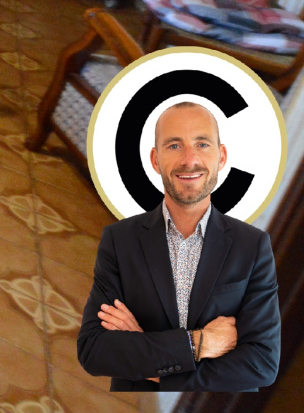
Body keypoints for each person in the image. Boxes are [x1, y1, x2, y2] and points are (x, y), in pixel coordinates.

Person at [76, 100, 280, 391]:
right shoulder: (119, 240)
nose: (189, 159)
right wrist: (199, 343)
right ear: (155, 160)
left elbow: (262, 365)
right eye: (174, 145)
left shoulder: (253, 246)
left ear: (221, 156)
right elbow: (94, 350)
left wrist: (153, 363)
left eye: (202, 144)